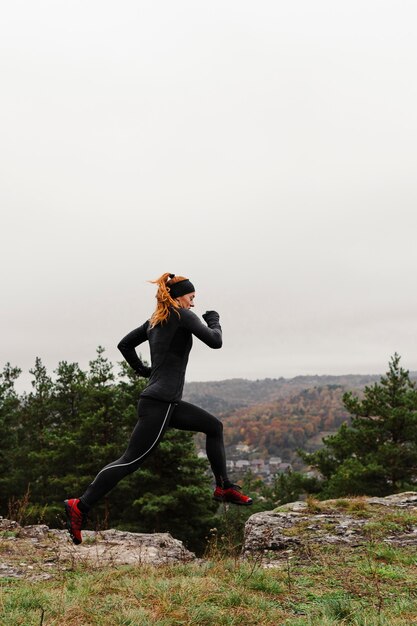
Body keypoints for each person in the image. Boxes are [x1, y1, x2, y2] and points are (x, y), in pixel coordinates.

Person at [64, 273, 252, 544]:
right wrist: (214, 320)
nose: (193, 304)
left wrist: (142, 370)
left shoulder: (156, 320)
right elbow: (215, 340)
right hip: (160, 404)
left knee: (214, 426)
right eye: (191, 298)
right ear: (179, 297)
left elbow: (124, 344)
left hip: (165, 402)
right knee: (130, 460)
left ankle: (223, 487)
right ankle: (80, 506)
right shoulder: (180, 315)